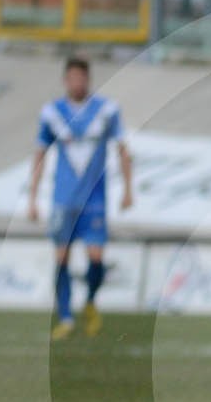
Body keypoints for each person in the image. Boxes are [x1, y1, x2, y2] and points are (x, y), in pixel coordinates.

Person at [26, 58, 133, 339]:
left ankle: (89, 301)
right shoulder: (52, 113)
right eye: (72, 78)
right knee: (61, 259)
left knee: (96, 259)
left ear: (88, 79)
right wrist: (32, 197)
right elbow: (39, 154)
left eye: (81, 78)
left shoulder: (106, 111)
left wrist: (128, 189)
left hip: (94, 200)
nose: (77, 83)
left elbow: (123, 149)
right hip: (63, 199)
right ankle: (65, 317)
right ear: (65, 80)